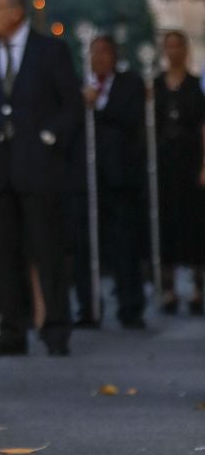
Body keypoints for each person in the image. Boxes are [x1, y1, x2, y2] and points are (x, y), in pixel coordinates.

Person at [0, 0, 82, 356]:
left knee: (47, 249)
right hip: (0, 169)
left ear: (16, 12)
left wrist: (48, 139)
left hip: (39, 169)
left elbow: (71, 105)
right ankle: (12, 329)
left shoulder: (51, 51)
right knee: (5, 252)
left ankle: (56, 327)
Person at [85, 34, 147, 329]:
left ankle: (130, 305)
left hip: (121, 177)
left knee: (125, 244)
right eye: (94, 53)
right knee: (89, 243)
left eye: (104, 53)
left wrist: (99, 105)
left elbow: (130, 118)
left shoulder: (129, 83)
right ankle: (88, 307)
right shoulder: (80, 85)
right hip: (89, 178)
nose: (99, 58)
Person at [154, 31, 205, 313]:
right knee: (166, 221)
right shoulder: (157, 85)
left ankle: (198, 284)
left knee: (195, 221)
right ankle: (168, 286)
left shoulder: (197, 86)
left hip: (190, 160)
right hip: (164, 162)